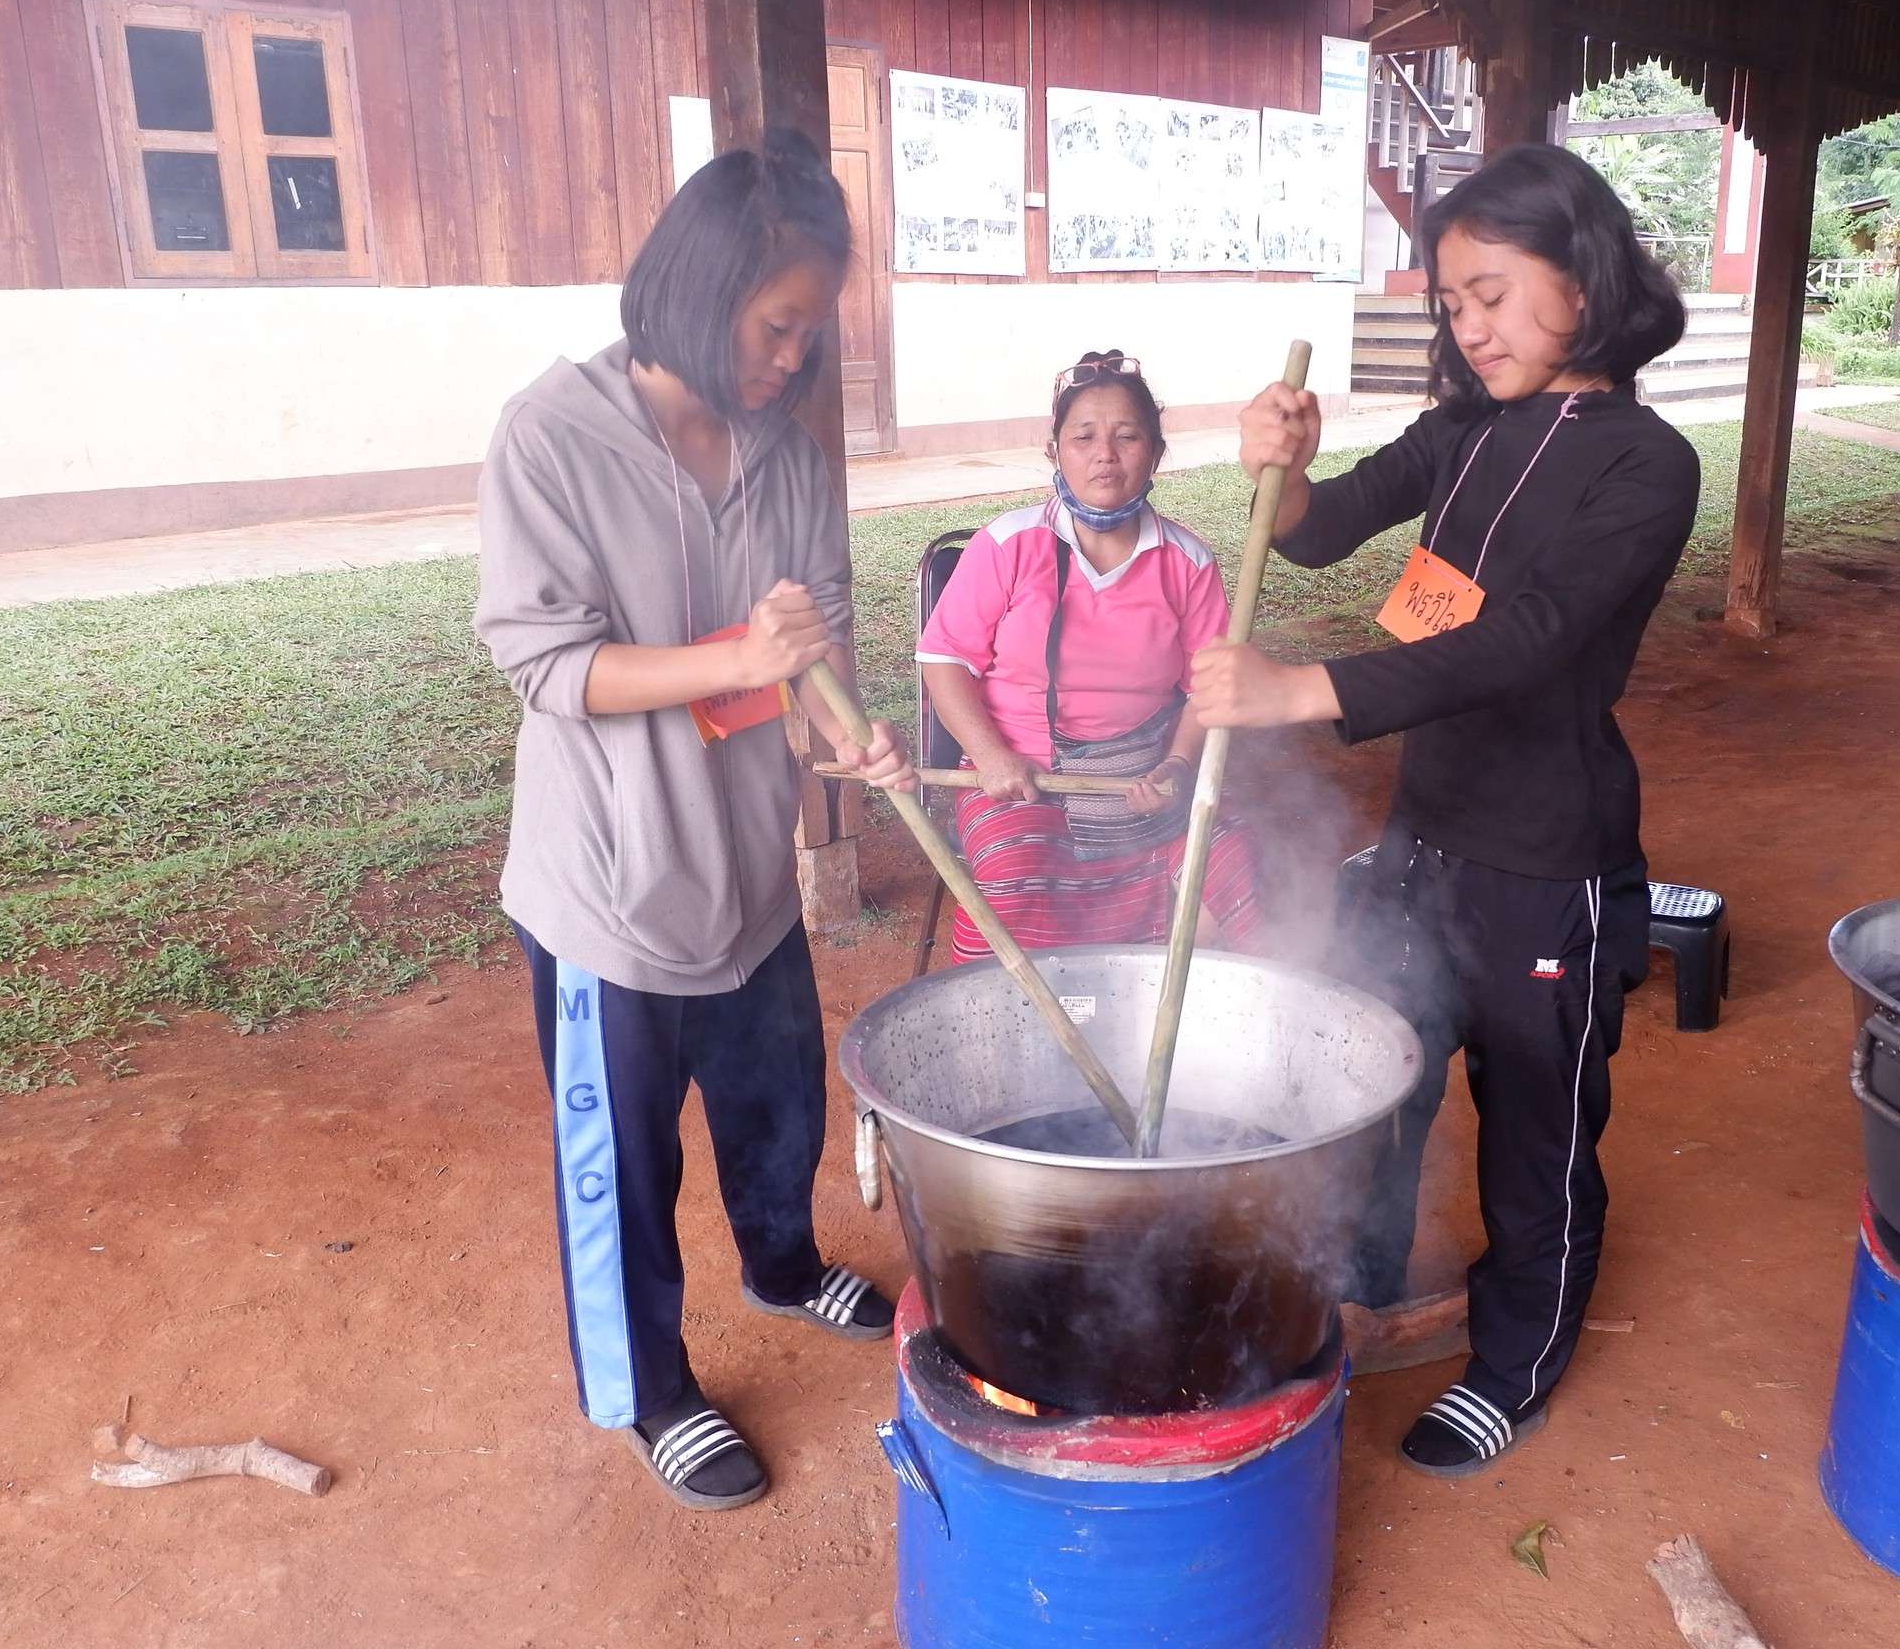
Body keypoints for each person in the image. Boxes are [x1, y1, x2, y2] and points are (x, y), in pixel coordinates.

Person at [1192, 143, 1698, 1479]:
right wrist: (1284, 469)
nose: (1470, 327)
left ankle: (1514, 1363)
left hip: (1547, 863)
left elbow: (1525, 642)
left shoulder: (1648, 465)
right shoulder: (1464, 430)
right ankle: (1359, 1290)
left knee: (1536, 1130)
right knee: (1379, 1081)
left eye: (1493, 293)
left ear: (1583, 280)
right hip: (1420, 841)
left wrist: (1297, 691)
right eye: (1453, 304)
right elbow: (1319, 527)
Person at [474, 134, 915, 1513]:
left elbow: (813, 648)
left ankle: (783, 1263)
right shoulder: (551, 437)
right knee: (627, 1161)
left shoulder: (787, 454)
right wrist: (735, 658)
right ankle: (654, 1388)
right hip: (610, 887)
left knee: (776, 1097)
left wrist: (845, 734)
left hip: (747, 871)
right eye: (776, 325)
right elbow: (545, 662)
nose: (794, 357)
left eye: (810, 330)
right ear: (701, 289)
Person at [916, 351, 1263, 961]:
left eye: (1127, 437)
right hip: (1023, 781)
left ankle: (1147, 1000)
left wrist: (1178, 764)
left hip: (1143, 779)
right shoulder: (1007, 545)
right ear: (1055, 451)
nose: (1105, 454)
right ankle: (1026, 1015)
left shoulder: (1188, 561)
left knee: (1228, 871)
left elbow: (1208, 689)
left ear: (1155, 452)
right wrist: (992, 756)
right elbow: (943, 661)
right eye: (1084, 438)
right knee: (1014, 879)